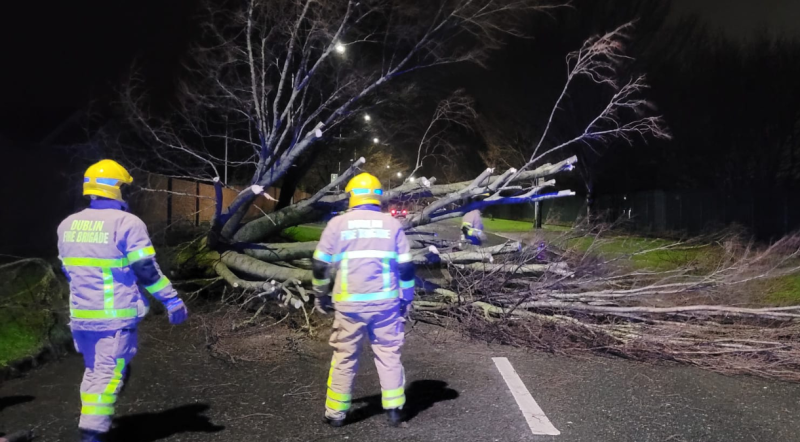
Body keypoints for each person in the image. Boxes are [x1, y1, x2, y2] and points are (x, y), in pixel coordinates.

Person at [57, 160, 188, 442]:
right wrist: (172, 300)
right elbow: (145, 270)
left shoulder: (67, 225)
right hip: (112, 320)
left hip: (82, 318)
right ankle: (92, 435)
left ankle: (93, 425)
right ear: (115, 188)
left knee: (96, 372)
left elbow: (69, 271)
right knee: (108, 377)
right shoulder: (127, 223)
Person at [312, 172, 415, 428]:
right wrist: (407, 297)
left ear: (351, 196)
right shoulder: (391, 225)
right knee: (388, 355)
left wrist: (320, 294)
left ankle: (336, 413)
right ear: (378, 197)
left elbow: (319, 264)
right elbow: (406, 267)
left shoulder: (338, 224)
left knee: (344, 357)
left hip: (349, 306)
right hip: (386, 304)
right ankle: (394, 409)